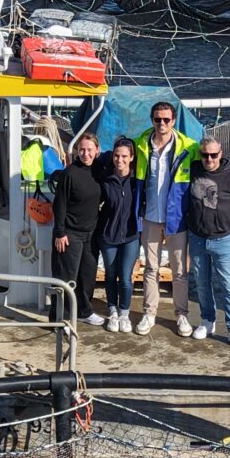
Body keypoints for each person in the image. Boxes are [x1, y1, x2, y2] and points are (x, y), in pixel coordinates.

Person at [131, 101, 199, 335]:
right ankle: (149, 314)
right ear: (152, 120)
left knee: (180, 271)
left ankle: (181, 315)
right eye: (157, 119)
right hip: (150, 218)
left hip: (176, 219)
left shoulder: (189, 148)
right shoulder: (141, 144)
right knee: (151, 268)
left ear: (173, 120)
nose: (162, 124)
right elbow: (117, 159)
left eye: (166, 120)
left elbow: (215, 160)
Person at [183, 137, 230, 349]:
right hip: (197, 237)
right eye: (205, 155)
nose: (209, 159)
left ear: (221, 153)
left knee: (228, 286)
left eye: (214, 155)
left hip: (222, 239)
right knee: (202, 283)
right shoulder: (194, 168)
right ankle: (208, 320)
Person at [91, 137, 146, 332]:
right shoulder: (104, 176)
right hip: (107, 235)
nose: (119, 160)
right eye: (116, 155)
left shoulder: (137, 181)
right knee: (110, 274)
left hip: (130, 236)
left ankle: (124, 313)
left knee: (125, 277)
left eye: (124, 156)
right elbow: (90, 160)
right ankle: (112, 311)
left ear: (132, 157)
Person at [51, 133, 103, 324]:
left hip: (91, 234)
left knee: (87, 276)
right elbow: (59, 205)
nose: (85, 154)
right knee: (66, 278)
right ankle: (57, 318)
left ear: (97, 151)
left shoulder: (99, 170)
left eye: (89, 150)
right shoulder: (69, 174)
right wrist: (60, 232)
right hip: (70, 234)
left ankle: (85, 312)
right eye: (81, 150)